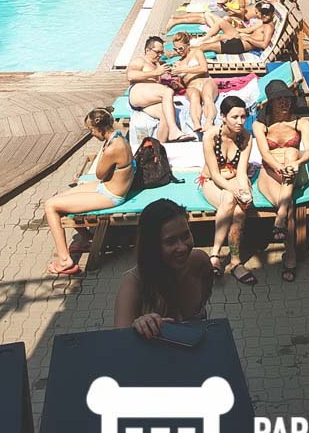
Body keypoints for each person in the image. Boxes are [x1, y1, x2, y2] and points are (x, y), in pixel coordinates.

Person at [46, 109, 136, 276]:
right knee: (60, 198)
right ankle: (88, 238)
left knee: (50, 206)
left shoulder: (112, 148)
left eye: (92, 130)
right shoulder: (118, 137)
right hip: (108, 186)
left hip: (111, 195)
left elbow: (100, 174)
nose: (92, 134)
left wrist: (103, 152)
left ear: (100, 128)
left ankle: (64, 260)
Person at [113, 199, 215, 337]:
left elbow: (206, 293)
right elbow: (121, 341)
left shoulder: (200, 263)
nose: (182, 247)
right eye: (170, 241)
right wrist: (140, 325)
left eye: (186, 235)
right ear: (151, 246)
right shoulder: (132, 286)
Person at [254, 80, 309, 282]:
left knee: (291, 152)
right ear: (270, 102)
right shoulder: (260, 125)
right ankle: (290, 256)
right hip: (270, 170)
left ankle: (280, 220)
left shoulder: (300, 122)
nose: (284, 102)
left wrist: (296, 163)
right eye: (278, 98)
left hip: (295, 170)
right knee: (287, 206)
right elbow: (265, 153)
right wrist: (278, 167)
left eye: (287, 98)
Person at [198, 95, 257, 285]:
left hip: (235, 180)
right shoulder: (211, 137)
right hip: (212, 181)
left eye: (243, 117)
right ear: (223, 117)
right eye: (234, 117)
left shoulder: (246, 137)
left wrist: (244, 191)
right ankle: (216, 254)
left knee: (239, 210)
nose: (240, 122)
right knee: (230, 199)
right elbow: (215, 175)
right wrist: (236, 191)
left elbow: (242, 171)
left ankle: (234, 261)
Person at [127, 36, 187, 143]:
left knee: (167, 114)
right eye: (157, 52)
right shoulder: (140, 61)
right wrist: (156, 73)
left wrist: (173, 84)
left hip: (148, 100)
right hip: (137, 91)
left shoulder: (158, 64)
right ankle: (174, 130)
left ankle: (159, 147)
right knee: (167, 91)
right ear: (147, 50)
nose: (160, 55)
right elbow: (130, 76)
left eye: (161, 53)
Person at [171, 31, 218, 130]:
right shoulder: (178, 63)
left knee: (207, 97)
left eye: (180, 48)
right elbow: (183, 84)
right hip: (192, 86)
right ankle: (196, 123)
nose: (178, 51)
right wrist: (177, 85)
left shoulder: (197, 52)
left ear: (188, 45)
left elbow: (204, 68)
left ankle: (209, 122)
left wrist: (184, 69)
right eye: (175, 49)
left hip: (205, 81)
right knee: (194, 98)